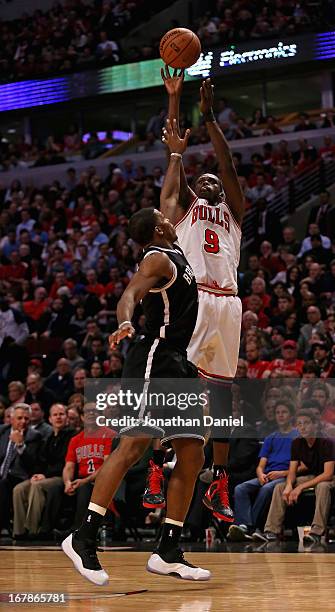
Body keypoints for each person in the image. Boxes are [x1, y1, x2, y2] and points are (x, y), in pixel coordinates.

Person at [62, 124, 210, 584]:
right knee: (132, 447)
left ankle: (168, 547)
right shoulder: (157, 258)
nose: (173, 213)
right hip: (152, 357)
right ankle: (83, 536)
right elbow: (129, 293)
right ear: (159, 229)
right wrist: (125, 320)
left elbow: (168, 196)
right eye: (165, 216)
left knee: (191, 453)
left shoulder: (174, 247)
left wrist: (175, 155)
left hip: (179, 363)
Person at [144, 65, 245, 524]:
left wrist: (210, 119)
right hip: (197, 298)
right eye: (201, 180)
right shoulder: (183, 211)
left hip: (230, 303)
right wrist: (174, 99)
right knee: (177, 385)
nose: (210, 181)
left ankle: (218, 482)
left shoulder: (234, 212)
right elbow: (173, 153)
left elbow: (227, 164)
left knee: (224, 395)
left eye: (215, 181)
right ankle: (154, 465)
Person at [257, 408, 335, 545]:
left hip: (329, 477)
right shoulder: (297, 443)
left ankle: (316, 532)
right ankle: (271, 530)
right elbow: (292, 471)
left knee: (322, 486)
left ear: (315, 424)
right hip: (312, 476)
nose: (302, 427)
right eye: (299, 424)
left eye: (306, 423)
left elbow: (328, 474)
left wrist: (299, 488)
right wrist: (288, 486)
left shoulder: (326, 442)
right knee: (280, 487)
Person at [227, 400, 298, 541]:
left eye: (284, 412)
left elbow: (300, 465)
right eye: (278, 413)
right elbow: (261, 464)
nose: (280, 415)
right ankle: (244, 525)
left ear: (291, 415)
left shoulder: (297, 436)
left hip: (285, 475)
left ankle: (249, 526)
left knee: (266, 490)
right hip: (267, 474)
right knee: (241, 488)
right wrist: (260, 474)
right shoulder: (271, 437)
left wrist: (282, 473)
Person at [12, 403, 73, 539]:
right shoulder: (49, 438)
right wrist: (36, 474)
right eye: (55, 415)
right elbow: (40, 461)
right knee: (19, 489)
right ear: (50, 419)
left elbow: (64, 463)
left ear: (67, 418)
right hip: (45, 476)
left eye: (61, 414)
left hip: (60, 477)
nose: (58, 417)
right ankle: (19, 531)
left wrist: (44, 475)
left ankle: (33, 530)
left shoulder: (71, 436)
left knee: (37, 486)